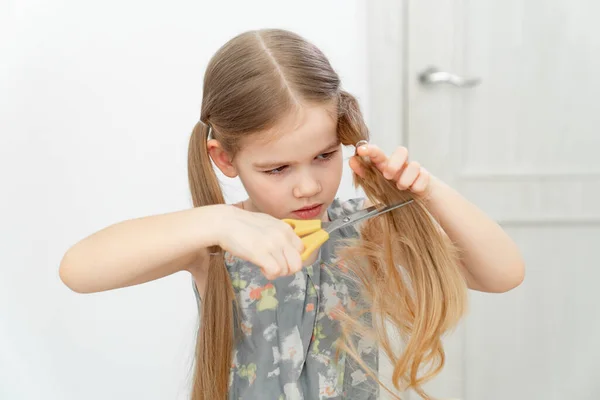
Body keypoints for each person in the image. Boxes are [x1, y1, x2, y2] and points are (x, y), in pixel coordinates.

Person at [59, 29, 525, 400]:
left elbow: (503, 273)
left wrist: (427, 189)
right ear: (224, 160)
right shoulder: (217, 244)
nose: (309, 185)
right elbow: (78, 270)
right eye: (277, 168)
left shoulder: (361, 229)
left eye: (324, 156)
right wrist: (215, 221)